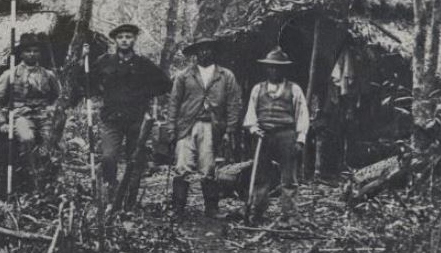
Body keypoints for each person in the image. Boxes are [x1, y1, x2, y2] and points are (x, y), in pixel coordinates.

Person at [89, 23, 172, 193]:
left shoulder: (144, 64)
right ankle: (111, 189)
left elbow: (165, 84)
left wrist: (144, 93)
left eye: (128, 37)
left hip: (136, 119)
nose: (124, 40)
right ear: (115, 40)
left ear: (134, 39)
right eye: (120, 37)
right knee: (108, 157)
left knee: (134, 160)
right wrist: (103, 92)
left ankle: (130, 196)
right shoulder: (104, 61)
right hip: (111, 118)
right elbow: (88, 81)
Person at [165, 37, 242, 217]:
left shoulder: (225, 76)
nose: (205, 53)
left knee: (208, 167)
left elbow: (233, 103)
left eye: (208, 49)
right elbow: (174, 103)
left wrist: (230, 129)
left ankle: (212, 208)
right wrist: (171, 128)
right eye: (200, 50)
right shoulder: (184, 76)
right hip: (186, 125)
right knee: (182, 165)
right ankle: (178, 208)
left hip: (212, 126)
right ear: (195, 53)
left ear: (214, 51)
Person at [243, 46, 310, 225]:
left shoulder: (294, 89)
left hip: (286, 134)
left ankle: (290, 215)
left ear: (284, 69)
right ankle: (257, 211)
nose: (274, 70)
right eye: (271, 67)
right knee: (261, 175)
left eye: (278, 67)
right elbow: (251, 113)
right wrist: (253, 129)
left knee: (289, 176)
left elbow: (302, 115)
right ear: (266, 69)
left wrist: (300, 139)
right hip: (263, 135)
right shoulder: (258, 89)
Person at [0, 32, 62, 185]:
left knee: (51, 141)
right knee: (27, 138)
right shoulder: (10, 75)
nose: (32, 54)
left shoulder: (48, 75)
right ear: (21, 53)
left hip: (44, 116)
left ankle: (49, 177)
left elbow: (60, 97)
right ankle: (29, 173)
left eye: (35, 51)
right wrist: (2, 122)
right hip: (21, 115)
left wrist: (52, 108)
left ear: (40, 54)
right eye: (28, 51)